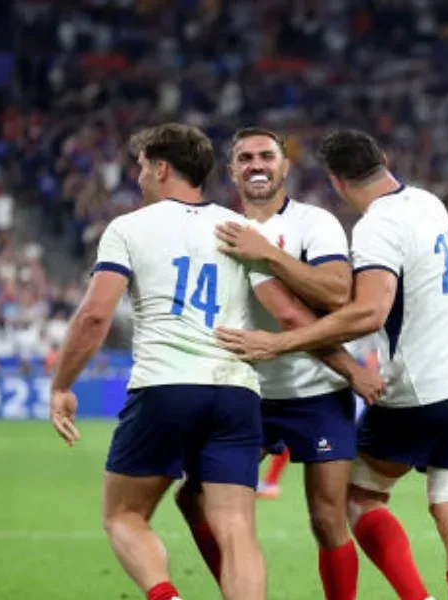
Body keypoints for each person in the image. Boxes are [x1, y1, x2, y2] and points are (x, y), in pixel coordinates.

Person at [217, 129, 448, 600]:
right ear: (384, 160)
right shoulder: (428, 201)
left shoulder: (376, 226)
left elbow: (368, 311)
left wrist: (282, 342)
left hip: (424, 389)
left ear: (336, 182)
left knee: (358, 496)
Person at [48, 123, 315, 600]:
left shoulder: (129, 228)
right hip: (236, 391)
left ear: (162, 167)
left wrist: (62, 385)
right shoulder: (242, 230)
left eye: (143, 167)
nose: (139, 177)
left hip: (165, 386)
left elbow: (93, 317)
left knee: (124, 515)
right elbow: (288, 313)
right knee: (236, 527)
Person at [172, 127, 384, 600]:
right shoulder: (217, 227)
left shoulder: (316, 223)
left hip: (316, 391)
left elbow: (334, 293)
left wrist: (267, 253)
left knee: (327, 519)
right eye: (244, 157)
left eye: (266, 155)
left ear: (284, 165)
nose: (256, 164)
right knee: (195, 499)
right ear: (231, 170)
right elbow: (273, 311)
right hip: (242, 392)